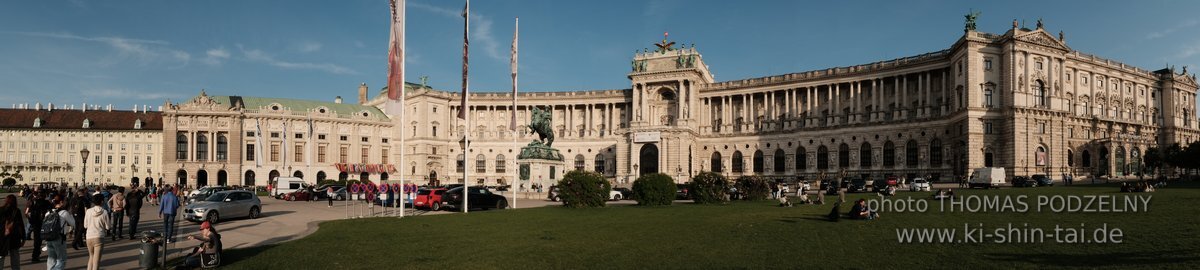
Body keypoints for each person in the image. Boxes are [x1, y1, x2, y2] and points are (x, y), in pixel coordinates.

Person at [45, 197, 74, 270]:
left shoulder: (48, 212)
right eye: (64, 201)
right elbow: (73, 224)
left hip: (48, 237)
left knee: (51, 259)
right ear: (61, 202)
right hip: (59, 238)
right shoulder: (64, 213)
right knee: (61, 259)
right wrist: (70, 214)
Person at [83, 194, 110, 270]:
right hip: (99, 236)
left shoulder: (88, 211)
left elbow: (85, 225)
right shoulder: (104, 212)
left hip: (89, 237)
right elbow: (108, 227)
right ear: (102, 201)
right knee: (96, 260)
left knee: (91, 257)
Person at [0, 195, 26, 269]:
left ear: (6, 200)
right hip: (14, 236)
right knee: (15, 257)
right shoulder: (16, 211)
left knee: (1, 256)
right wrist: (23, 237)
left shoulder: (1, 210)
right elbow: (21, 225)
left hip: (2, 236)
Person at [25, 192, 50, 263]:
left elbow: (26, 213)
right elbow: (50, 211)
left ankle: (36, 253)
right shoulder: (46, 202)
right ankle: (35, 255)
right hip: (43, 222)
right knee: (40, 239)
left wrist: (31, 220)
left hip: (35, 222)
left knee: (37, 239)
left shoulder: (32, 202)